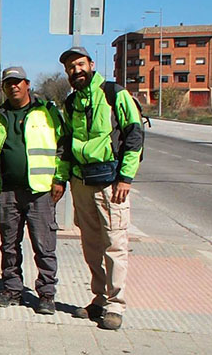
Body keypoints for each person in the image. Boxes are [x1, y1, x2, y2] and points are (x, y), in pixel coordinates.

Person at [60, 46, 143, 331]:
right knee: (91, 245)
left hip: (111, 183)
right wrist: (64, 179)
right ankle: (98, 298)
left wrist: (126, 178)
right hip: (81, 183)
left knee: (115, 244)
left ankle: (115, 305)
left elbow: (134, 134)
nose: (76, 70)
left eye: (80, 64)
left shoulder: (113, 93)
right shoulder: (71, 102)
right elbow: (66, 143)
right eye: (71, 67)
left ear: (91, 64)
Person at [0, 66, 69, 315]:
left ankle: (47, 294)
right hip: (6, 191)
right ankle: (12, 290)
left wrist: (59, 179)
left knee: (44, 245)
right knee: (9, 245)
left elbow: (62, 146)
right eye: (8, 83)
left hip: (40, 191)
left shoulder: (46, 112)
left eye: (18, 82)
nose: (13, 87)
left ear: (27, 84)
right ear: (4, 87)